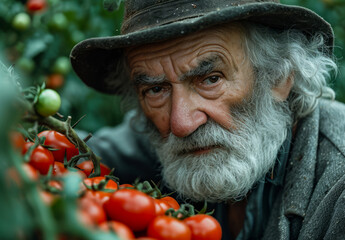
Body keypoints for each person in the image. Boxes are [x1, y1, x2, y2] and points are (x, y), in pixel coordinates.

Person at [70, 0, 345, 239]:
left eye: (210, 80)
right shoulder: (160, 135)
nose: (181, 124)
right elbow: (70, 153)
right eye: (155, 89)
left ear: (279, 77)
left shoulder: (338, 187)